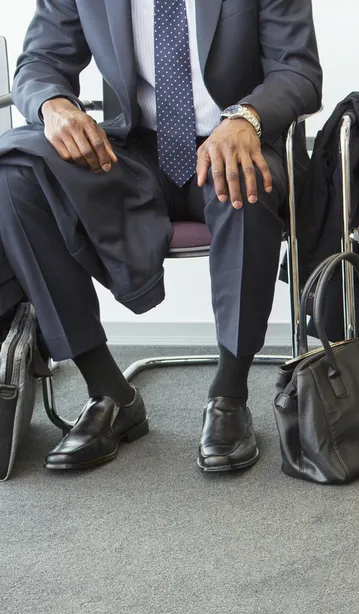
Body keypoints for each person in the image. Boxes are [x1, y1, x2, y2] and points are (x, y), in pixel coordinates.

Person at [0, 0, 322, 473]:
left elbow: (299, 71)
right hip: (134, 149)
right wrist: (53, 105)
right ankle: (109, 391)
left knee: (245, 185)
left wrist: (246, 118)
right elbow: (39, 63)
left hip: (233, 139)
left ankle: (229, 396)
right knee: (15, 174)